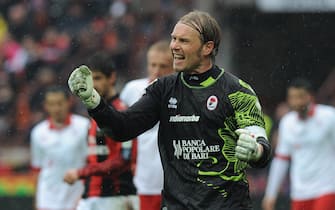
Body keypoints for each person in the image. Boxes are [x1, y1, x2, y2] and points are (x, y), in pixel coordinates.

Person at [68, 10, 272, 210]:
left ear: (207, 47)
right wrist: (92, 100)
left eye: (183, 41)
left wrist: (255, 152)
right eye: (173, 39)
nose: (174, 46)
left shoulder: (237, 91)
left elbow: (260, 144)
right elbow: (123, 128)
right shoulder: (163, 89)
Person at [63, 52, 139, 210]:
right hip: (92, 196)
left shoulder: (121, 112)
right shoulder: (94, 113)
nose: (93, 85)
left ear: (111, 78)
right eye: (90, 79)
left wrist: (81, 173)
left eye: (97, 78)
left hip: (115, 197)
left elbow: (123, 160)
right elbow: (95, 157)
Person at [262, 78, 335, 210]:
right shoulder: (287, 123)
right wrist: (270, 194)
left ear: (310, 97)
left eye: (300, 97)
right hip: (299, 192)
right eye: (293, 98)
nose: (296, 102)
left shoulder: (329, 117)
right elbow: (281, 160)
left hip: (327, 188)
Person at [120, 40, 174, 210]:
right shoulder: (132, 89)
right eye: (153, 65)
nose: (157, 71)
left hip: (172, 182)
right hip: (140, 180)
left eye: (163, 66)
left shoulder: (181, 91)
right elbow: (121, 129)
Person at [30, 86, 90, 210]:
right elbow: (37, 169)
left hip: (77, 196)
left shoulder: (84, 127)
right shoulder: (38, 132)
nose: (56, 108)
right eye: (51, 104)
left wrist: (86, 194)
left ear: (69, 102)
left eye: (60, 103)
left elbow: (91, 162)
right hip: (47, 198)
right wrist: (37, 199)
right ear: (45, 106)